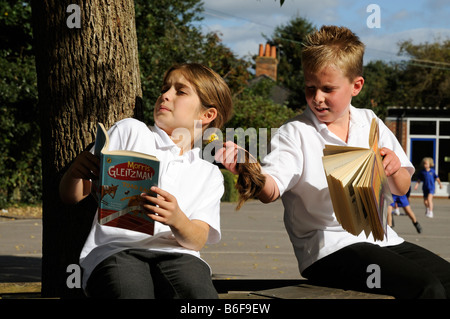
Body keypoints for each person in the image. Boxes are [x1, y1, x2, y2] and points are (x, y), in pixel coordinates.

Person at [217, 26, 450, 299]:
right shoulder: (295, 133)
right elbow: (271, 190)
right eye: (310, 88)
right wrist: (249, 168)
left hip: (384, 241)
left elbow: (401, 188)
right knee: (427, 289)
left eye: (328, 89)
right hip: (329, 249)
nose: (317, 98)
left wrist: (395, 168)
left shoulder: (370, 122)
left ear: (356, 86)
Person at [59, 63, 233, 299]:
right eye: (165, 88)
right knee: (130, 292)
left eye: (180, 91)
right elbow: (72, 196)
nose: (165, 95)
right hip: (117, 250)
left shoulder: (208, 173)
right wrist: (75, 173)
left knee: (198, 295)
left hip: (179, 255)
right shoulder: (131, 130)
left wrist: (177, 219)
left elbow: (197, 239)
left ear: (207, 115)